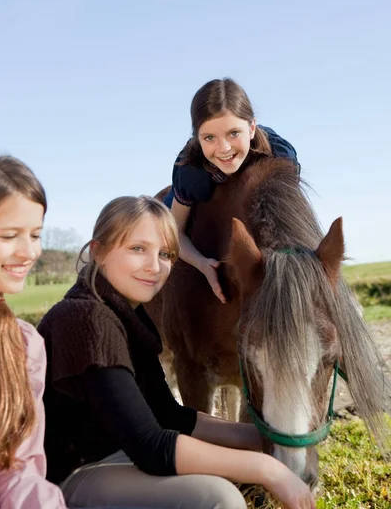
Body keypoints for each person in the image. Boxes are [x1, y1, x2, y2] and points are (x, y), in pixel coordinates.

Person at [38, 195, 315, 509]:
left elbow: (168, 415)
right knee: (218, 499)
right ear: (97, 251)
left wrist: (265, 438)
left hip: (117, 455)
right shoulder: (86, 319)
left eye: (166, 254)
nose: (155, 267)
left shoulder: (126, 315)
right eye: (137, 249)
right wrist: (269, 469)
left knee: (224, 473)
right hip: (74, 473)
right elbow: (150, 447)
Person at [163, 77, 300, 303]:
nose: (224, 148)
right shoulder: (192, 171)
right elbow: (174, 231)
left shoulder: (279, 155)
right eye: (209, 138)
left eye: (234, 133)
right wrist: (201, 263)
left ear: (252, 127)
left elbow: (289, 219)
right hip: (200, 182)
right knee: (157, 230)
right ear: (197, 137)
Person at [0, 156, 66, 508]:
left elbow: (17, 471)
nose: (29, 252)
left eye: (35, 235)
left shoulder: (24, 345)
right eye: (9, 236)